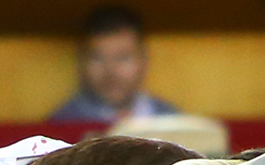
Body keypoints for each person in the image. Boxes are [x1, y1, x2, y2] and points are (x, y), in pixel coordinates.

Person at [50, 6, 179, 124]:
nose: (111, 71)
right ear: (81, 61)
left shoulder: (173, 122)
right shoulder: (61, 127)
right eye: (97, 58)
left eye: (123, 58)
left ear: (144, 60)